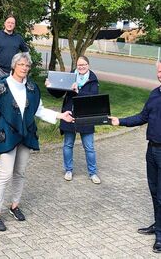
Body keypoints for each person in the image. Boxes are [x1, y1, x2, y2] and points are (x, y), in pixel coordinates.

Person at [0, 52, 73, 231]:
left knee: (20, 172)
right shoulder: (1, 87)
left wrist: (60, 115)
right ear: (14, 66)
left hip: (26, 135)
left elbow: (38, 110)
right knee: (5, 174)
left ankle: (14, 205)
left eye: (27, 65)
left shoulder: (32, 88)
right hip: (7, 135)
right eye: (21, 64)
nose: (24, 68)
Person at [110, 59, 161, 253]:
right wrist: (120, 121)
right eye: (158, 71)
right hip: (152, 150)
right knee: (154, 191)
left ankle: (160, 236)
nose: (160, 74)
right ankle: (158, 225)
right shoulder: (155, 94)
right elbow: (142, 117)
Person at [46, 55, 101, 184]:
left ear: (88, 66)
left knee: (89, 147)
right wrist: (50, 86)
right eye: (79, 65)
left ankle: (92, 173)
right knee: (68, 145)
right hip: (69, 115)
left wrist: (77, 91)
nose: (81, 67)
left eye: (84, 65)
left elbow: (93, 97)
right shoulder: (71, 76)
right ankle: (68, 170)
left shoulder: (93, 79)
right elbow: (59, 93)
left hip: (86, 117)